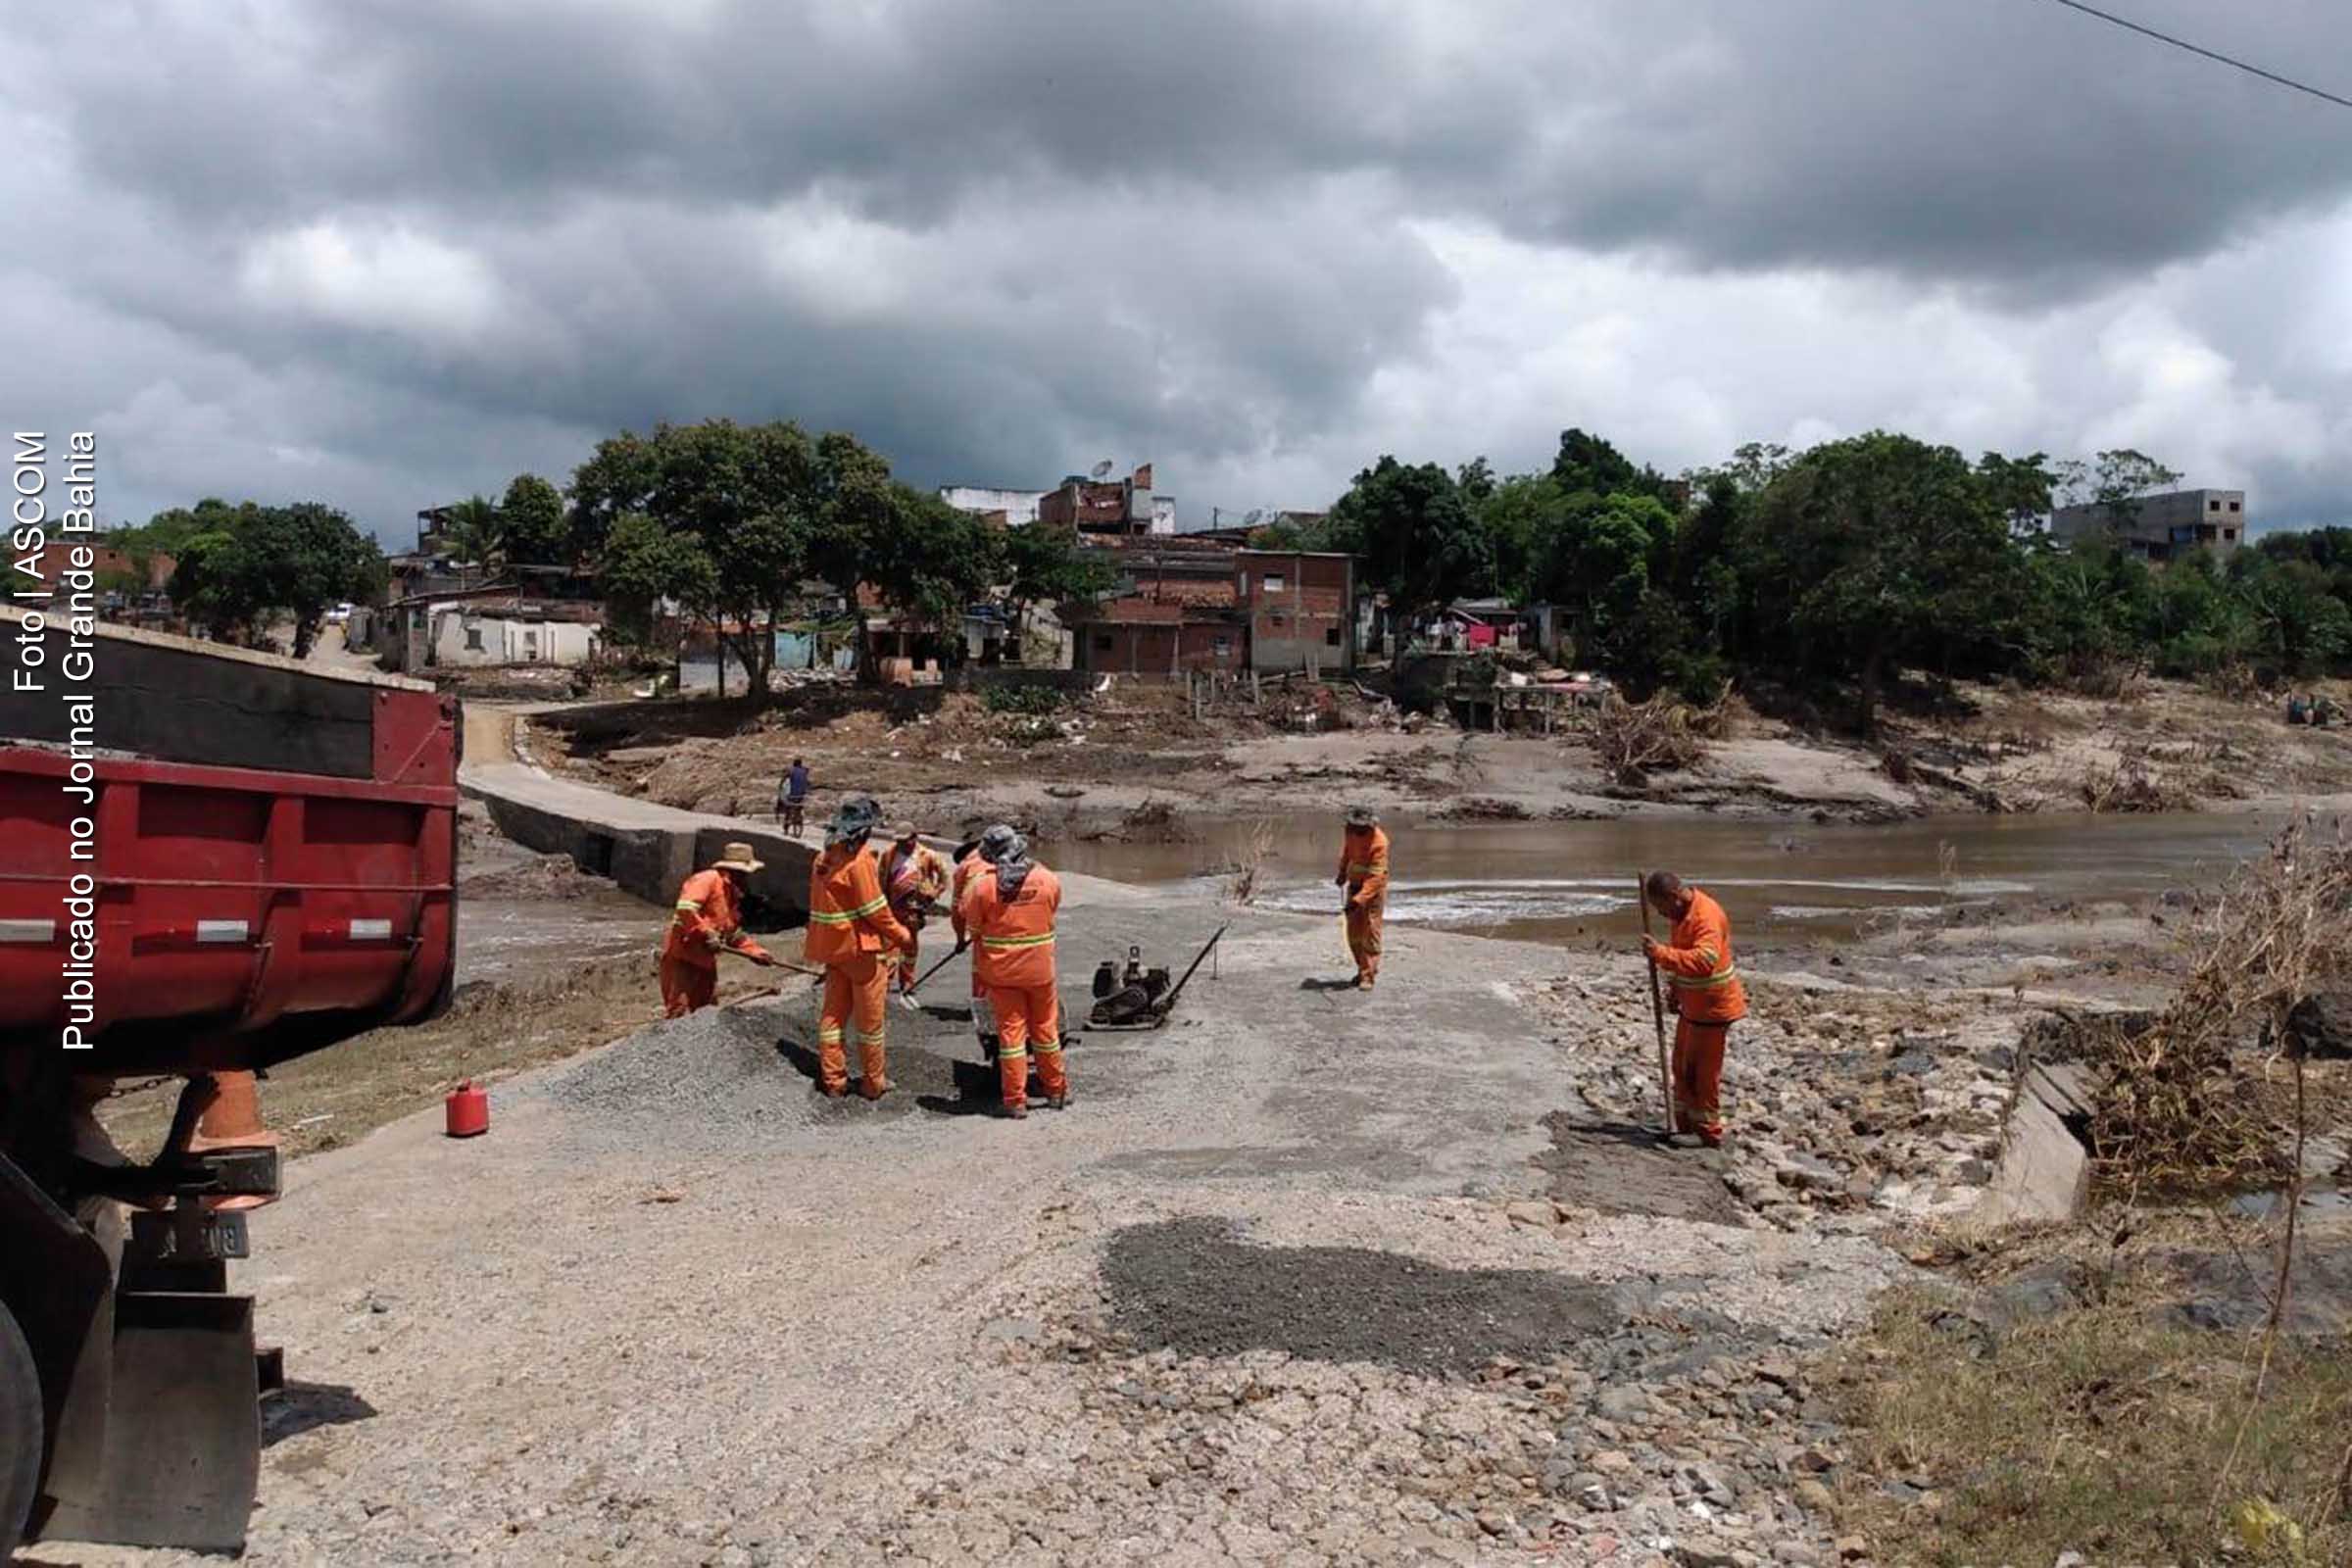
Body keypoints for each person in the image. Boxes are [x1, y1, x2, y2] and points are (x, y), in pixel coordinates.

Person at [804, 795, 912, 1099]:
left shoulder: (823, 859)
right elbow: (875, 910)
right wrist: (902, 935)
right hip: (861, 951)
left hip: (833, 949)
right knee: (870, 1022)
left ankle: (834, 1081)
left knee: (832, 1017)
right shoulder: (859, 861)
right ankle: (873, 1084)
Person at [958, 824, 1066, 1119]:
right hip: (1040, 970)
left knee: (1011, 1035)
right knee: (1045, 1030)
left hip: (1002, 974)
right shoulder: (1047, 879)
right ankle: (1055, 1091)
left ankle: (1016, 1101)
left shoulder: (982, 887)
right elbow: (1051, 910)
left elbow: (974, 928)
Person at [1641, 869, 1747, 1150]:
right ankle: (1683, 1124)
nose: (1661, 914)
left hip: (1713, 1008)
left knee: (1703, 1073)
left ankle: (1708, 1132)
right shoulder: (1680, 916)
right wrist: (1675, 990)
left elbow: (1703, 961)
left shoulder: (1705, 916)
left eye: (1661, 907)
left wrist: (1661, 954)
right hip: (1693, 1006)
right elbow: (1684, 955)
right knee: (1682, 1066)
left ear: (1674, 896)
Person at [662, 842, 778, 1016]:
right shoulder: (707, 879)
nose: (747, 878)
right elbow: (685, 908)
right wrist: (707, 933)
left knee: (706, 1008)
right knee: (679, 1009)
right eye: (744, 874)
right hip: (683, 954)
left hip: (705, 959)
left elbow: (732, 934)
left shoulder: (731, 894)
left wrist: (756, 952)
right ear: (735, 870)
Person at [878, 822, 952, 1003]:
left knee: (910, 947)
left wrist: (934, 892)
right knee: (889, 946)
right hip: (892, 907)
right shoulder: (888, 854)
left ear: (914, 837)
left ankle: (907, 982)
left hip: (914, 909)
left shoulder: (927, 855)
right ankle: (884, 982)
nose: (901, 844)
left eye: (905, 841)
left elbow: (944, 876)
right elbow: (881, 879)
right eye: (899, 841)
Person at [1334, 805, 1390, 990]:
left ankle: (1368, 976)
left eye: (1360, 828)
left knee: (1370, 931)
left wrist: (1358, 901)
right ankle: (1363, 968)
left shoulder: (1380, 842)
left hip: (1373, 892)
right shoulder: (1349, 832)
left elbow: (1376, 877)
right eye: (1353, 826)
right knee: (1354, 933)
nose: (1355, 831)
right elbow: (1347, 852)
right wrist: (1342, 872)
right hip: (1354, 885)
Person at [948, 836, 996, 1054]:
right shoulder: (1001, 857)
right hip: (1008, 921)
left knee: (981, 969)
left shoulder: (964, 868)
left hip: (980, 924)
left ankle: (984, 1011)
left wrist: (960, 939)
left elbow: (957, 911)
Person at [777, 759, 810, 835]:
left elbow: (784, 778)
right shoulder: (804, 771)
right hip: (802, 794)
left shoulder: (792, 771)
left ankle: (786, 826)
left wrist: (780, 786)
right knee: (799, 806)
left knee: (788, 808)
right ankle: (799, 817)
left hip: (793, 794)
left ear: (794, 764)